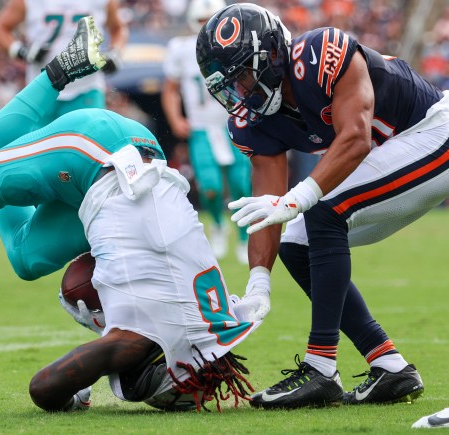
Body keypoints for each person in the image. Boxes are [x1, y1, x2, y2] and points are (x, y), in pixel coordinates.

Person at [0, 17, 261, 412]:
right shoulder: (137, 341)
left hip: (127, 175)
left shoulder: (213, 325)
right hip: (99, 150)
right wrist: (83, 380)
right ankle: (57, 73)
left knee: (25, 258)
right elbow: (43, 388)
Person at [196, 3, 449, 408]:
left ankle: (321, 367)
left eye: (244, 75)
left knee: (320, 204)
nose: (240, 92)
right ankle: (389, 365)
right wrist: (258, 281)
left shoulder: (321, 53)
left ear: (273, 54)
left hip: (434, 131)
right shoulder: (252, 119)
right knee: (297, 241)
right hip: (394, 155)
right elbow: (268, 204)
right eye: (230, 84)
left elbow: (355, 137)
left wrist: (301, 196)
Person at [161, 0, 252, 264]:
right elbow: (170, 88)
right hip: (201, 126)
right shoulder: (180, 48)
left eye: (208, 19)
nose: (205, 26)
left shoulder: (233, 45)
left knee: (240, 185)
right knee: (210, 187)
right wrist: (175, 118)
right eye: (201, 20)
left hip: (232, 122)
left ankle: (244, 237)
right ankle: (217, 224)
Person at [0, 0, 127, 123]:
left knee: (88, 146)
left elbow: (119, 29)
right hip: (42, 88)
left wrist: (115, 52)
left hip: (86, 88)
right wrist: (21, 50)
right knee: (40, 148)